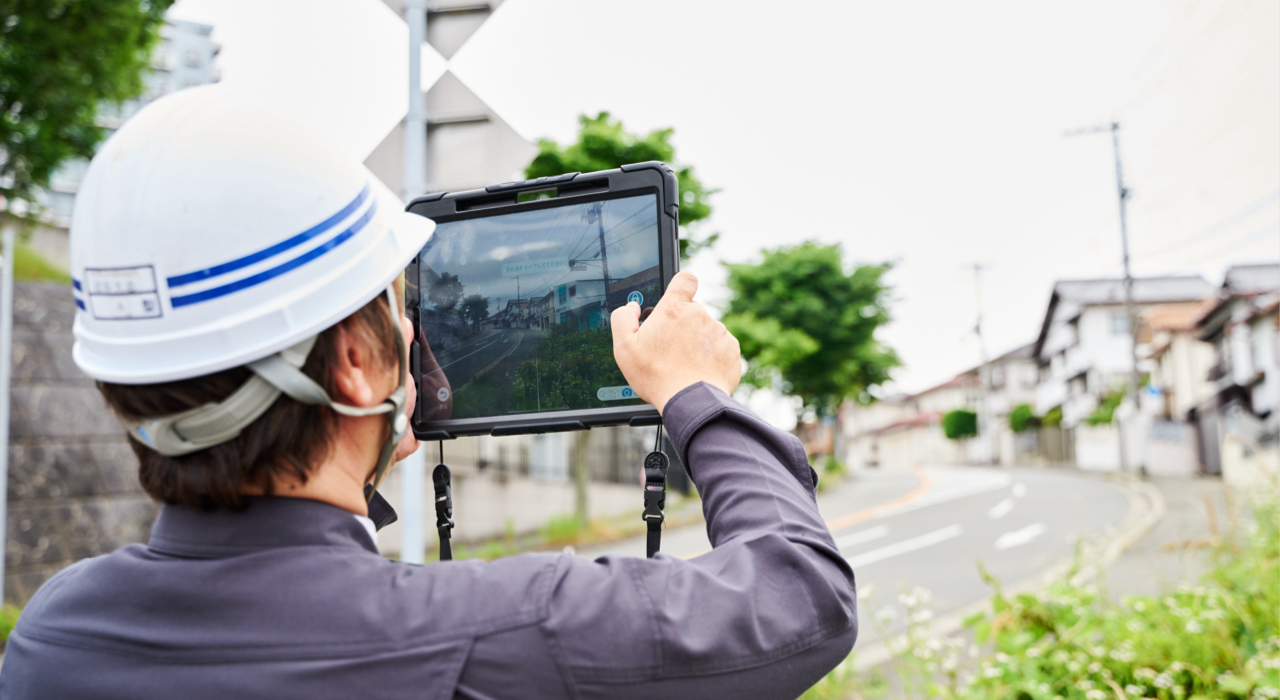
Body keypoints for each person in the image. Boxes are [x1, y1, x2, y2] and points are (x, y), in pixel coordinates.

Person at [0, 86, 857, 699]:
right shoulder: (501, 628)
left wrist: (352, 449)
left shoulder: (53, 636)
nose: (413, 338)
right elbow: (801, 599)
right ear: (351, 366)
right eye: (396, 309)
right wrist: (698, 395)